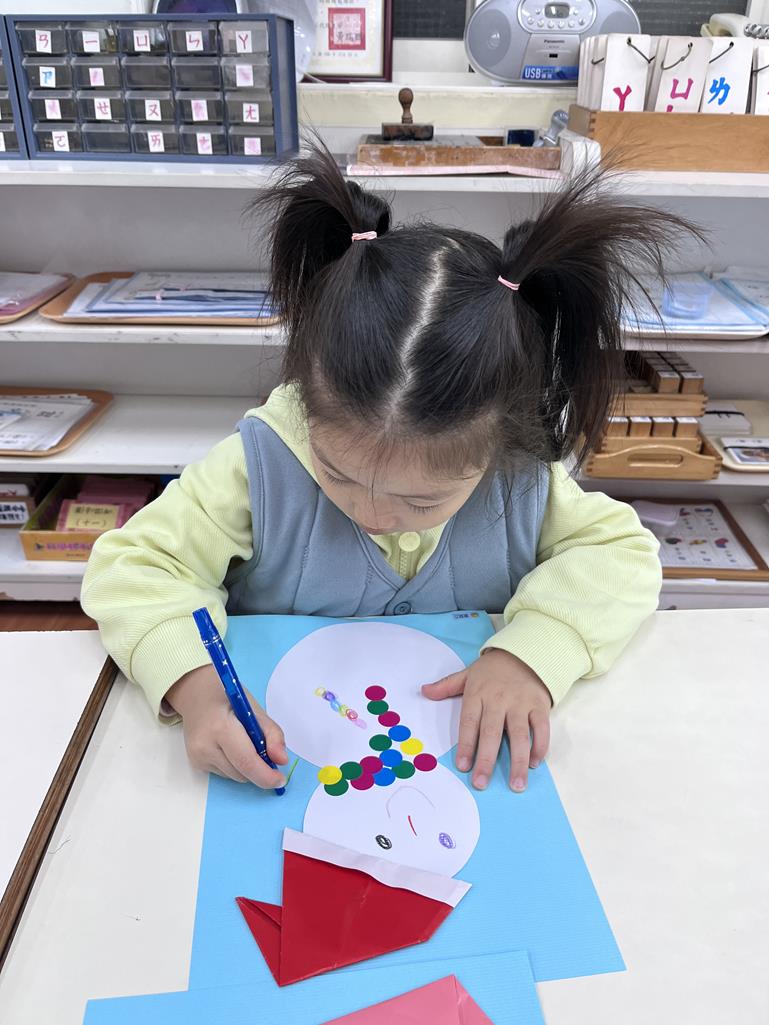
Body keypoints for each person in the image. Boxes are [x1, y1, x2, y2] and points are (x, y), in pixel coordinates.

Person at [82, 144, 697, 795]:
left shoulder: (520, 476)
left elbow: (621, 555)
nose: (372, 515)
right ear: (308, 406)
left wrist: (534, 654)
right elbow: (135, 568)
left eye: (422, 501)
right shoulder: (264, 459)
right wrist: (195, 687)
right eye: (338, 474)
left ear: (499, 446)